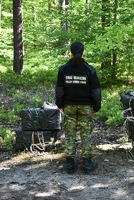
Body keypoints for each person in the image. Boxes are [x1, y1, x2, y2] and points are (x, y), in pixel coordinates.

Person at [55, 41, 102, 174]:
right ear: (83, 52)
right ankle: (87, 164)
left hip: (69, 106)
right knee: (85, 134)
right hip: (85, 107)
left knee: (69, 134)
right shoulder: (89, 70)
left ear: (71, 53)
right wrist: (96, 107)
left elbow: (59, 90)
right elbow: (96, 90)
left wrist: (60, 105)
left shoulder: (63, 69)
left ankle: (70, 165)